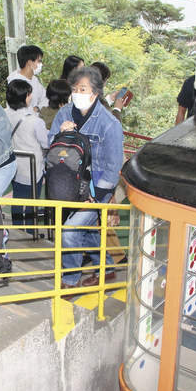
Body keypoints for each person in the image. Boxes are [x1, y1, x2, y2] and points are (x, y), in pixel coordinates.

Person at [49, 66, 124, 290]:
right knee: (88, 230)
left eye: (83, 89)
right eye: (74, 89)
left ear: (96, 92)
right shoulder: (64, 113)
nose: (77, 93)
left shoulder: (110, 124)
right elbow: (50, 143)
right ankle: (107, 270)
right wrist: (60, 133)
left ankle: (70, 280)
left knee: (70, 232)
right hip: (69, 184)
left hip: (96, 188)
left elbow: (113, 166)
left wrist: (98, 196)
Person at [7, 79, 49, 232]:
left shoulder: (4, 115)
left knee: (17, 199)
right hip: (32, 169)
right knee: (32, 200)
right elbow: (46, 143)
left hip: (13, 166)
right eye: (30, 94)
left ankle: (18, 229)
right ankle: (31, 232)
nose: (31, 97)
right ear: (25, 97)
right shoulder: (34, 121)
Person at [7, 45, 47, 111]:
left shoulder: (34, 79)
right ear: (30, 62)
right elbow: (19, 109)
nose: (41, 64)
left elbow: (45, 98)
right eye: (39, 60)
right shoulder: (15, 83)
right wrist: (33, 110)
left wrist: (37, 108)